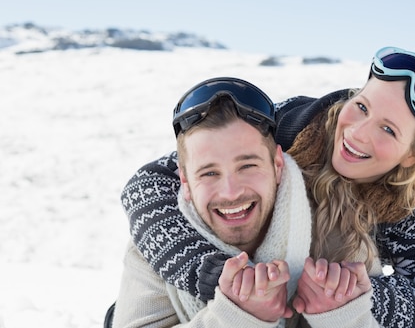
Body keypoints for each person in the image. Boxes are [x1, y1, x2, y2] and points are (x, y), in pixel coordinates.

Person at [120, 47, 415, 327]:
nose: (359, 132)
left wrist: (350, 292)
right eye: (361, 106)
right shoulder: (296, 124)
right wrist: (217, 275)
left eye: (388, 129)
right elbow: (148, 185)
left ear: (412, 155)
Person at [112, 77, 378, 328]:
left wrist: (346, 319)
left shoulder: (339, 230)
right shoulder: (158, 246)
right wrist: (236, 318)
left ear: (276, 165)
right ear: (185, 181)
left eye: (247, 166)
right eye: (209, 173)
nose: (230, 192)